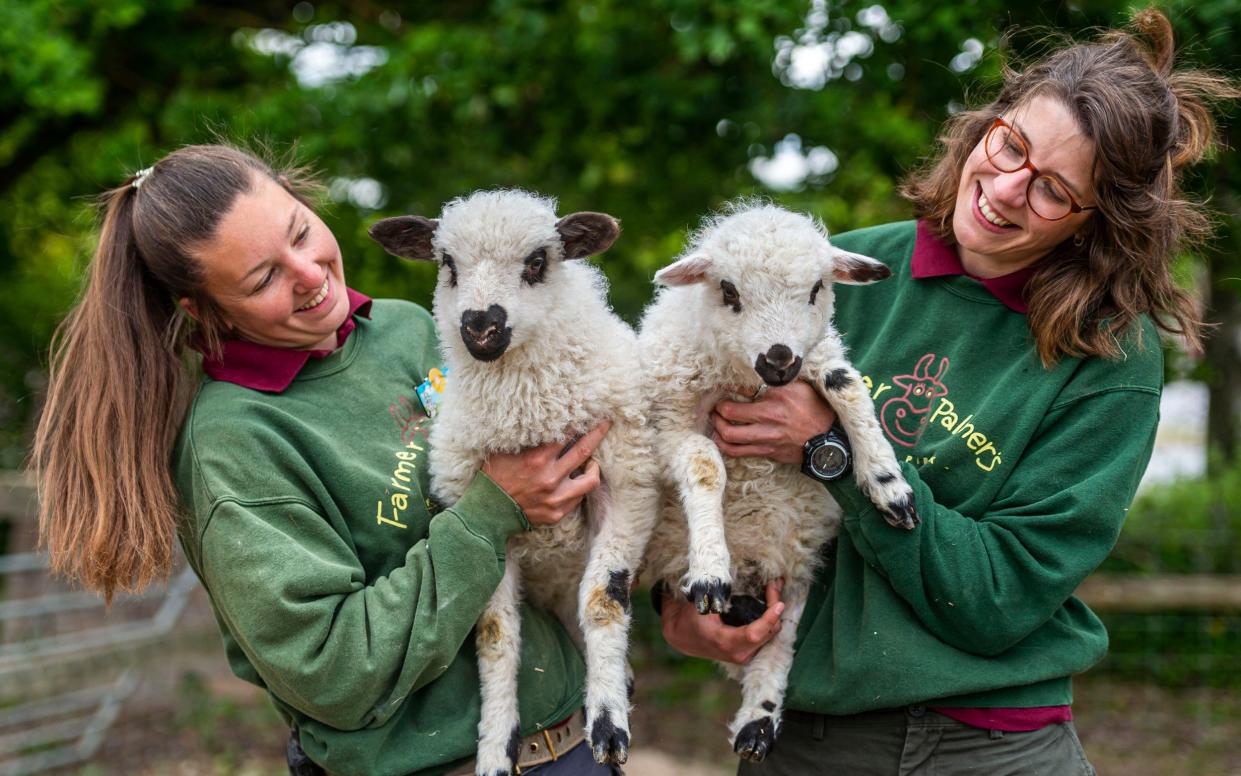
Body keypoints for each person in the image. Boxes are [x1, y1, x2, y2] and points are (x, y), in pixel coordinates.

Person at [659, 8, 1239, 774]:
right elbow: (690, 455)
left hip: (988, 744)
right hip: (802, 737)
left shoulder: (1107, 358)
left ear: (1096, 222)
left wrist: (829, 451)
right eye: (1009, 146)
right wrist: (681, 614)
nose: (1004, 189)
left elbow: (1000, 595)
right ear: (984, 126)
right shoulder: (835, 275)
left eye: (1052, 190)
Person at [32, 144, 617, 776]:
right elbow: (335, 671)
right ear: (202, 311)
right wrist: (489, 513)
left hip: (574, 739)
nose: (309, 274)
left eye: (300, 232)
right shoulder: (235, 446)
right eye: (263, 279)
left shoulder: (406, 329)